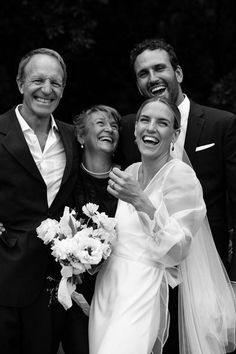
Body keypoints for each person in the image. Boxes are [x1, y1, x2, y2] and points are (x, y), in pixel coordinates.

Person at [115, 38, 236, 353]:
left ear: (178, 73)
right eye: (143, 73)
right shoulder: (131, 128)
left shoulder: (221, 124)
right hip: (145, 276)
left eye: (159, 68)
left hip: (205, 270)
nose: (152, 78)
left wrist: (233, 274)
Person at [89, 97, 236, 354]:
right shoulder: (131, 171)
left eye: (163, 123)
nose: (151, 128)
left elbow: (178, 250)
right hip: (109, 287)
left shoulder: (180, 176)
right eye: (144, 120)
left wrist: (140, 200)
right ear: (135, 129)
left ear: (175, 134)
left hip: (143, 290)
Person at [0, 48, 79, 354]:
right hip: (4, 274)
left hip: (51, 282)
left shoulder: (73, 139)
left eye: (55, 82)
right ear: (21, 84)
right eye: (38, 80)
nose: (47, 89)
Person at [59, 104, 120, 354]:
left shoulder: (127, 179)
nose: (109, 129)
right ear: (81, 136)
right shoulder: (65, 182)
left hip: (119, 291)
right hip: (77, 293)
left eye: (114, 125)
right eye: (101, 123)